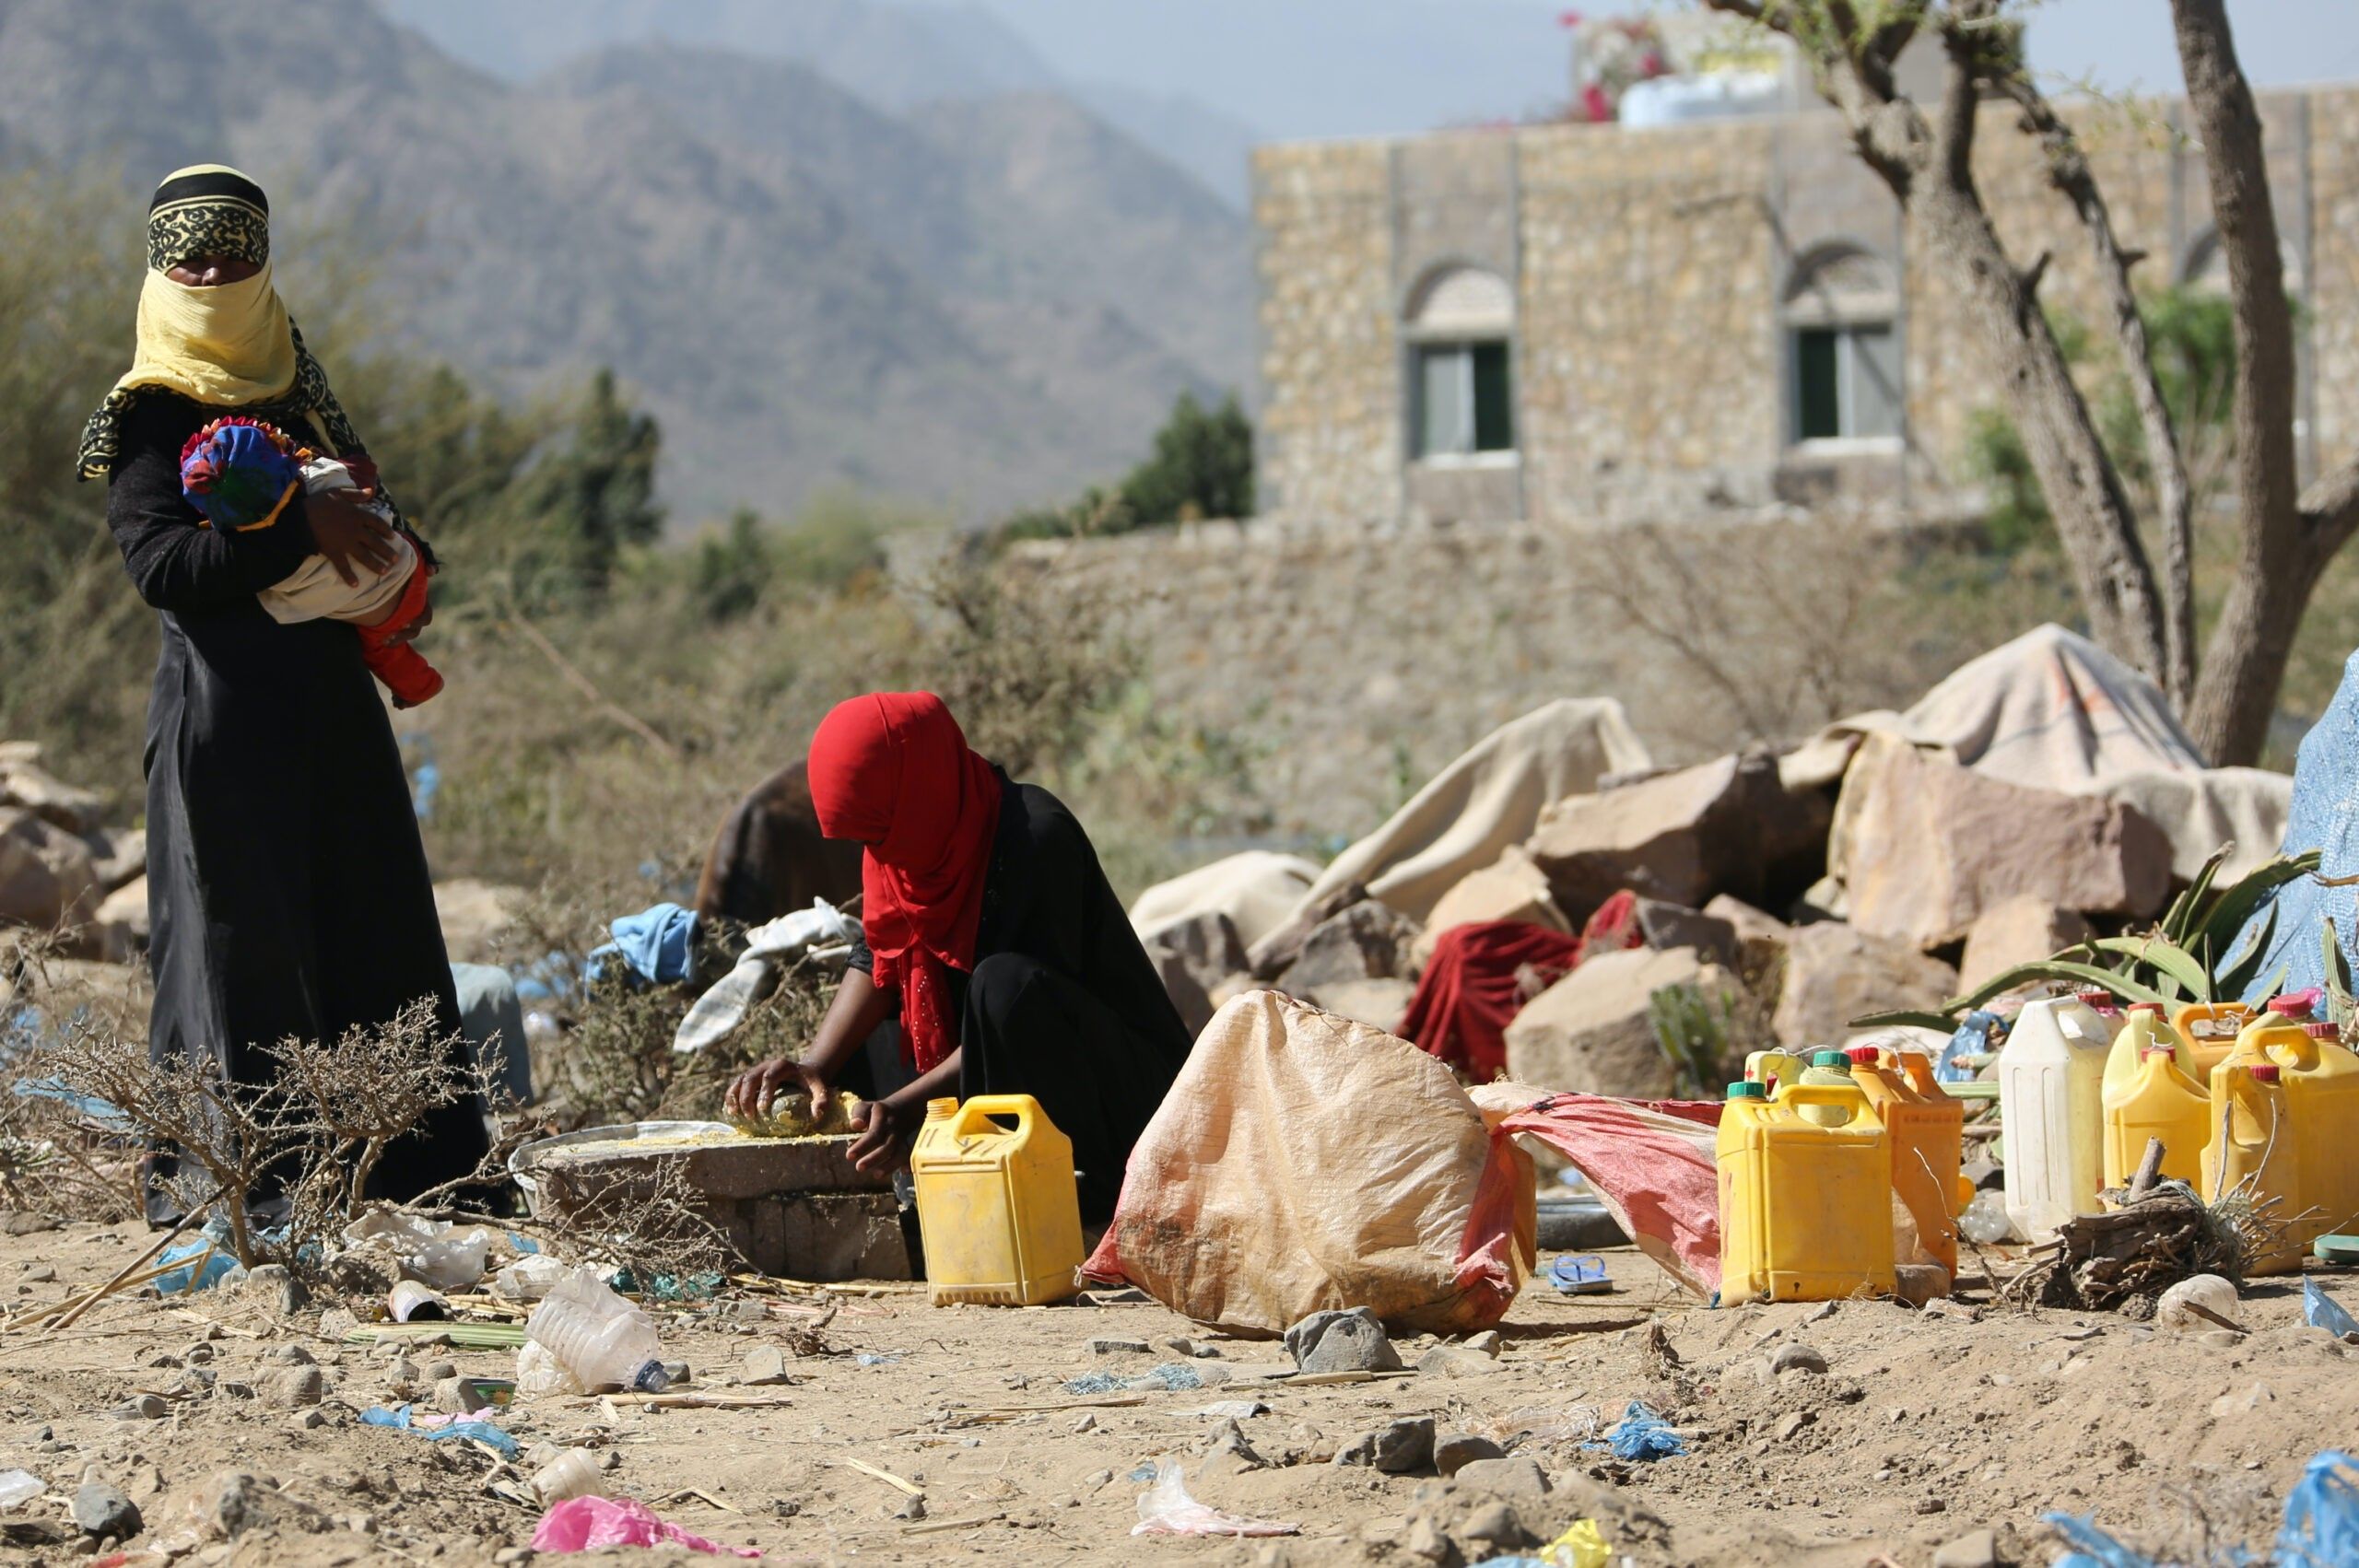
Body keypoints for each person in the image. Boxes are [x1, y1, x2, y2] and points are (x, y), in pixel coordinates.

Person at [81, 165, 487, 1220]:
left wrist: (386, 556)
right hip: (223, 720)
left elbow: (376, 512)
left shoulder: (295, 387)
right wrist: (300, 529)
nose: (213, 276)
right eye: (192, 259)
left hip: (331, 709)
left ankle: (417, 1173)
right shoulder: (149, 413)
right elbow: (164, 569)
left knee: (376, 926)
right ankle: (253, 1188)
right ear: (160, 270)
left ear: (264, 266)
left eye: (235, 255)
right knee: (242, 948)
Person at [724, 693, 1191, 1223]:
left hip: (1126, 1104)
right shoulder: (902, 847)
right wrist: (815, 1067)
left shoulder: (1035, 836)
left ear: (920, 788)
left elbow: (1018, 1017)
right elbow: (880, 954)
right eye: (865, 839)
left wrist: (907, 1108)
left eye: (880, 833)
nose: (877, 853)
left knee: (1000, 983)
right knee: (871, 1033)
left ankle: (1086, 1202)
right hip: (1006, 1078)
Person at [178, 415, 442, 707]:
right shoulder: (323, 481)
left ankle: (420, 687)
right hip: (408, 566)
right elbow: (364, 476)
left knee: (384, 652)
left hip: (378, 618)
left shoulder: (262, 558)